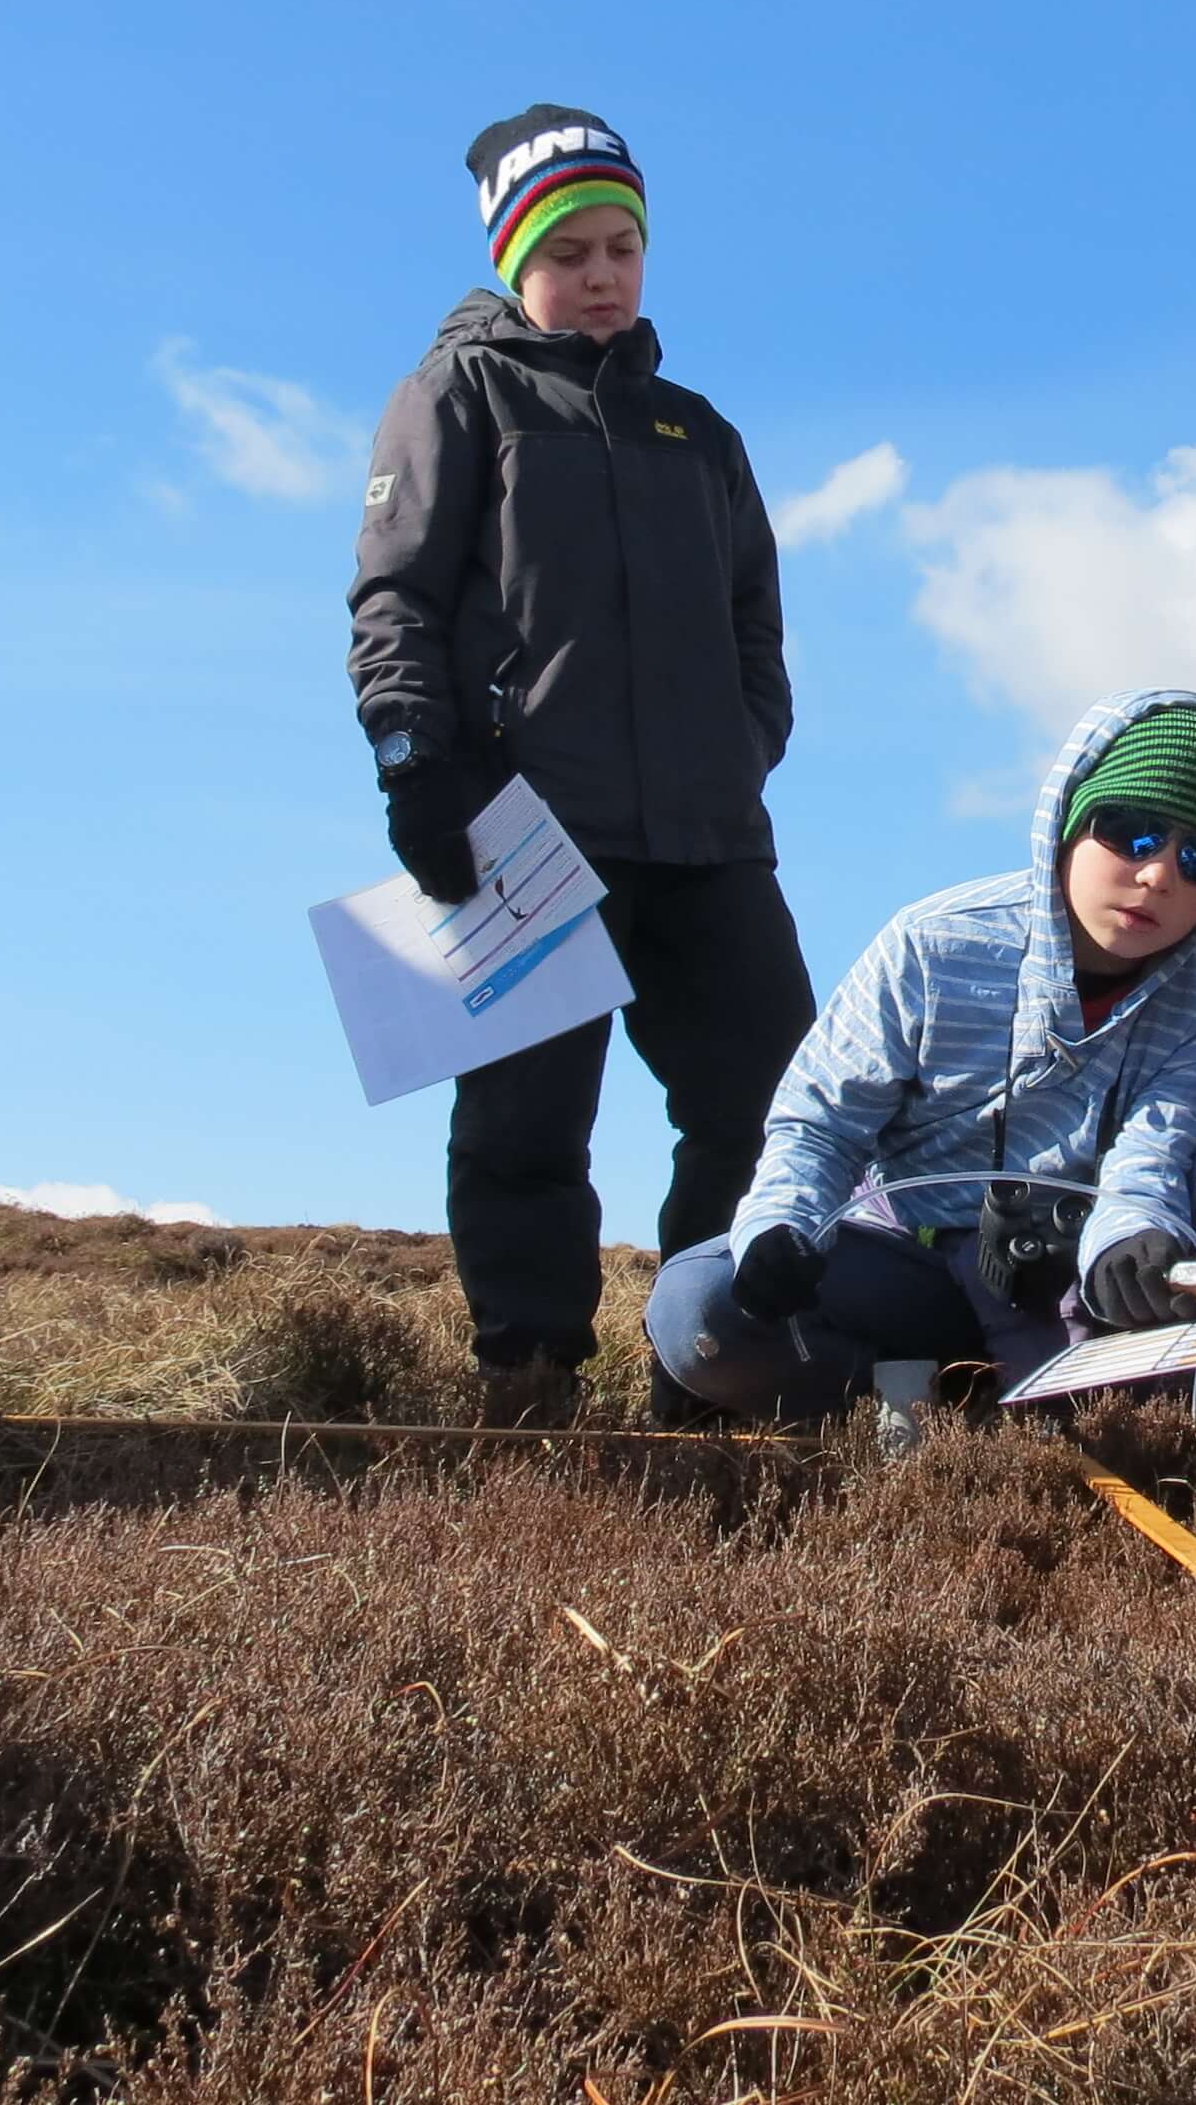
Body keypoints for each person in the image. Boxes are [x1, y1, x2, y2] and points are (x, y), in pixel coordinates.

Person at [347, 103, 815, 1429]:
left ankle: (709, 1374)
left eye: (624, 247)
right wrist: (420, 772)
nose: (603, 273)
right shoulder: (459, 396)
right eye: (571, 253)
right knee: (525, 1130)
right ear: (514, 261)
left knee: (774, 1111)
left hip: (711, 841)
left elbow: (756, 632)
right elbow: (395, 600)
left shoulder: (702, 435)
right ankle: (531, 1385)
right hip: (526, 828)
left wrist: (742, 754)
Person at [648, 691, 1196, 1429]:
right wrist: (784, 1227)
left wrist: (1131, 1241)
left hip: (1078, 1284)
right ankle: (918, 1402)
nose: (1159, 875)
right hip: (910, 1270)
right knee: (697, 1305)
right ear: (1069, 822)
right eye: (1132, 832)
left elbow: (1156, 1154)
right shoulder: (930, 946)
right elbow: (821, 1125)